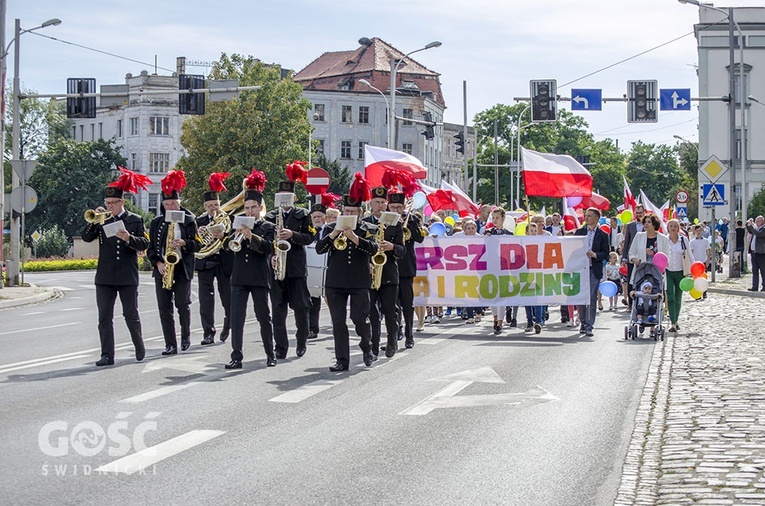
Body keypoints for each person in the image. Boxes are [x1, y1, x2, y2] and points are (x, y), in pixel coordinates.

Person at [82, 168, 151, 366]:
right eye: (107, 203)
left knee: (131, 314)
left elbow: (145, 243)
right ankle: (107, 355)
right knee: (104, 317)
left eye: (113, 203)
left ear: (122, 202)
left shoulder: (134, 220)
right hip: (105, 276)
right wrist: (95, 221)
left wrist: (129, 238)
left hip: (127, 275)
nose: (110, 206)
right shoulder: (101, 220)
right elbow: (86, 237)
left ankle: (139, 345)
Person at [316, 173, 378, 371]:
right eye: (346, 211)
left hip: (359, 281)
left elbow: (374, 249)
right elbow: (320, 249)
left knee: (359, 318)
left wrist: (355, 238)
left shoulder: (368, 228)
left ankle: (366, 346)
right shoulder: (331, 228)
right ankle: (342, 360)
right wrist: (335, 234)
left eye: (353, 211)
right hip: (336, 281)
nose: (349, 214)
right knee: (338, 323)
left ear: (359, 213)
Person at [225, 170, 276, 369]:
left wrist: (250, 235)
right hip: (239, 278)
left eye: (253, 207)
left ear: (260, 207)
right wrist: (234, 235)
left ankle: (270, 354)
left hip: (259, 277)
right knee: (237, 319)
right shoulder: (236, 224)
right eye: (247, 208)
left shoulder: (267, 226)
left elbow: (268, 247)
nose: (250, 211)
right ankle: (236, 356)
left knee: (264, 317)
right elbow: (229, 247)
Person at [146, 170, 201, 355]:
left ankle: (185, 335)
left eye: (174, 204)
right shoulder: (156, 222)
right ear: (162, 204)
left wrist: (184, 243)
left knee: (182, 305)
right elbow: (151, 248)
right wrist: (157, 263)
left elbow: (198, 245)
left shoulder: (189, 220)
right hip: (162, 269)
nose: (171, 207)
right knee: (164, 308)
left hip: (182, 268)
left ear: (179, 203)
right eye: (167, 204)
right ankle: (170, 343)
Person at [265, 163, 315, 359]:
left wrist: (291, 234)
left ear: (294, 198)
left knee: (301, 307)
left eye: (288, 198)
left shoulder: (303, 215)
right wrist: (271, 257)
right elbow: (266, 242)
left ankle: (301, 342)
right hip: (277, 269)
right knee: (278, 310)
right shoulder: (270, 216)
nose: (284, 202)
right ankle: (281, 347)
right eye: (281, 198)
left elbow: (310, 237)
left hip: (295, 268)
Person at [195, 172, 234, 346]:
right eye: (210, 205)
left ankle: (229, 322)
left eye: (216, 205)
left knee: (227, 298)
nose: (213, 208)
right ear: (205, 206)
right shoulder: (199, 221)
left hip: (224, 261)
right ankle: (208, 332)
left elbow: (234, 239)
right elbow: (195, 243)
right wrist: (199, 234)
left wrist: (224, 235)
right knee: (205, 300)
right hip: (205, 262)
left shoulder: (229, 218)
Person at [390, 191, 425, 348]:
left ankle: (409, 335)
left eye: (399, 207)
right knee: (392, 304)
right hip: (389, 266)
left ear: (404, 206)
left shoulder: (412, 219)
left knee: (407, 303)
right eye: (393, 207)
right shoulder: (386, 219)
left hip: (406, 267)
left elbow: (419, 238)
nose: (396, 210)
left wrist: (410, 221)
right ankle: (396, 331)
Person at [574, 207, 611, 337]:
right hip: (580, 269)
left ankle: (589, 325)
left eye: (589, 216)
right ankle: (583, 322)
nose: (587, 217)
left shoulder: (603, 235)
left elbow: (606, 254)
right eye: (586, 215)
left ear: (596, 218)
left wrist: (595, 255)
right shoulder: (579, 232)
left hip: (593, 269)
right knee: (580, 297)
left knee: (591, 298)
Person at [484, 207, 512, 334]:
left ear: (503, 218)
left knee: (502, 295)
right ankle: (495, 317)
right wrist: (487, 238)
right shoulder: (488, 233)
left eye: (497, 218)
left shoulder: (509, 234)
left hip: (504, 268)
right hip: (491, 267)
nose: (495, 220)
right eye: (493, 218)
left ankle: (500, 322)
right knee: (491, 294)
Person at [308, 199, 332, 340]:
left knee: (331, 298)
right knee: (313, 299)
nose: (317, 219)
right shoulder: (308, 231)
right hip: (313, 269)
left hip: (328, 268)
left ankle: (336, 324)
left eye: (319, 216)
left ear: (325, 218)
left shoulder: (330, 230)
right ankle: (312, 328)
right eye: (314, 217)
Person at [665, 219, 693, 333]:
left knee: (678, 297)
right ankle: (673, 322)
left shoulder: (683, 240)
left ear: (678, 228)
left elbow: (690, 254)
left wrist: (694, 269)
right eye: (671, 226)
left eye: (675, 226)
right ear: (668, 228)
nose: (673, 228)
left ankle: (676, 320)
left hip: (681, 271)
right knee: (670, 297)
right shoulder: (665, 240)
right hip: (668, 271)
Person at [621, 204, 646, 309]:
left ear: (644, 213)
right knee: (631, 280)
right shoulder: (630, 226)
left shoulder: (648, 224)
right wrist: (624, 257)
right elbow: (627, 242)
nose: (639, 215)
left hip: (644, 256)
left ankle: (644, 302)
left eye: (641, 213)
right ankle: (631, 304)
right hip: (632, 257)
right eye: (637, 213)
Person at [746, 216, 765, 291]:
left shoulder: (763, 229)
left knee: (763, 271)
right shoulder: (756, 228)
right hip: (754, 253)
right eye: (756, 221)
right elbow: (751, 231)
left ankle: (764, 286)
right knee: (754, 271)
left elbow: (758, 234)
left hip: (761, 253)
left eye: (758, 221)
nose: (756, 223)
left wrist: (752, 226)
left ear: (762, 221)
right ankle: (755, 286)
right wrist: (748, 225)